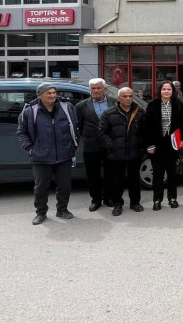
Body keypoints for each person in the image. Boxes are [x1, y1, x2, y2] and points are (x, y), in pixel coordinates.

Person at [17, 82, 80, 225]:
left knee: (64, 185)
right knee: (41, 188)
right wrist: (29, 147)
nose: (52, 96)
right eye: (48, 93)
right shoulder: (30, 111)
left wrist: (75, 143)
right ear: (39, 95)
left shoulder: (66, 107)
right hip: (41, 157)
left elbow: (75, 125)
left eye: (54, 92)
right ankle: (41, 213)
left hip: (64, 155)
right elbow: (22, 132)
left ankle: (62, 210)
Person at [98, 87, 146, 216]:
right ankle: (117, 204)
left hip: (134, 152)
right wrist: (112, 146)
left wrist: (141, 145)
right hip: (116, 153)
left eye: (130, 96)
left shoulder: (139, 112)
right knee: (117, 181)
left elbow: (145, 131)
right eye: (125, 96)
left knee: (134, 180)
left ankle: (135, 202)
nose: (128, 98)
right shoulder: (109, 113)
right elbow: (102, 132)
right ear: (118, 98)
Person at [144, 80, 183, 211]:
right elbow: (147, 127)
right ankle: (157, 199)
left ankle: (172, 198)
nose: (166, 91)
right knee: (158, 174)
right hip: (157, 143)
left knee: (172, 173)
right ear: (160, 91)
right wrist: (149, 144)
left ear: (173, 91)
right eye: (164, 89)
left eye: (169, 89)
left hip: (173, 143)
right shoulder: (152, 105)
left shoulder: (178, 104)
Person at [76, 78, 115, 211]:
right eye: (93, 88)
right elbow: (79, 125)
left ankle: (108, 198)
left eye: (98, 88)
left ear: (104, 89)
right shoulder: (81, 106)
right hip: (90, 145)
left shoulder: (114, 102)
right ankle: (96, 200)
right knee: (93, 175)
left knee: (110, 173)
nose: (96, 91)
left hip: (110, 144)